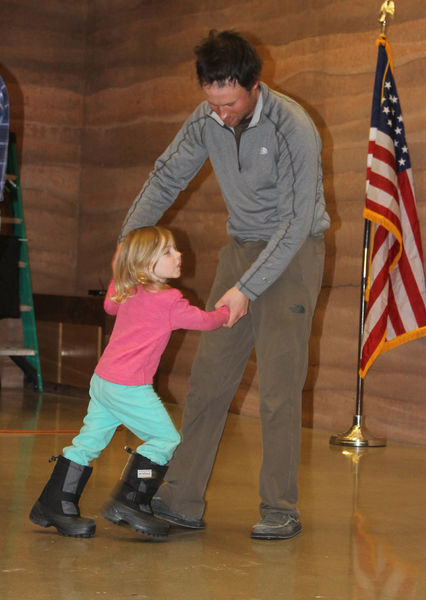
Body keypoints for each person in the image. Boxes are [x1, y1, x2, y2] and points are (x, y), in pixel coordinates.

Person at [119, 30, 330, 540]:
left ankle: (280, 507)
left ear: (255, 86)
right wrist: (127, 248)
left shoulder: (292, 127)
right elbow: (166, 178)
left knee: (279, 388)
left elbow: (294, 223)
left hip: (294, 253)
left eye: (231, 104)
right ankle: (180, 498)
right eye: (213, 104)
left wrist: (246, 290)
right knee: (208, 380)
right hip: (240, 250)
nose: (222, 115)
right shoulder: (206, 119)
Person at [29, 225, 229, 540]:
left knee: (88, 442)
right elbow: (205, 321)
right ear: (144, 262)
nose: (179, 255)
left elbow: (110, 305)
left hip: (104, 381)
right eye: (167, 251)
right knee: (164, 440)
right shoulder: (170, 300)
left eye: (175, 248)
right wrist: (228, 312)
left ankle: (54, 503)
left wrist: (119, 273)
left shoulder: (127, 289)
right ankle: (131, 499)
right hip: (128, 387)